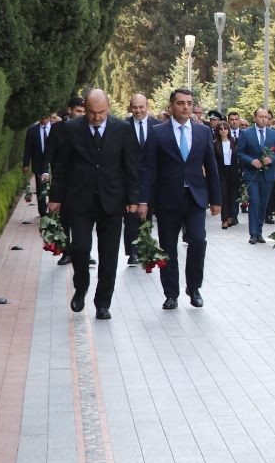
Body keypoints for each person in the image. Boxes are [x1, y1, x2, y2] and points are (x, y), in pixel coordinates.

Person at [47, 89, 139, 320]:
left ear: (109, 108)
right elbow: (62, 165)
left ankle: (103, 302)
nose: (97, 118)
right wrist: (55, 197)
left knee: (109, 254)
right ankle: (81, 287)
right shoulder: (71, 129)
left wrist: (133, 199)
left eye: (101, 112)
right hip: (79, 200)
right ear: (84, 109)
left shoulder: (123, 129)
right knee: (79, 247)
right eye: (91, 112)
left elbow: (131, 166)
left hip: (112, 200)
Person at [138, 88, 221, 310]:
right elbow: (147, 168)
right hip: (167, 199)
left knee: (198, 241)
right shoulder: (158, 132)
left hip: (195, 198)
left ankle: (194, 288)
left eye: (189, 103)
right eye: (181, 103)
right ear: (171, 106)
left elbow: (212, 167)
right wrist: (143, 200)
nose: (186, 107)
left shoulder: (203, 132)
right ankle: (171, 293)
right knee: (168, 247)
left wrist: (216, 199)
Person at [45, 95, 86, 266]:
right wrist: (46, 172)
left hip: (84, 182)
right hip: (65, 182)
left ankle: (83, 252)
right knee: (66, 219)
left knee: (84, 221)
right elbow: (51, 154)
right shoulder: (58, 129)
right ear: (70, 110)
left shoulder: (89, 128)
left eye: (84, 111)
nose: (81, 114)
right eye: (78, 111)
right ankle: (67, 251)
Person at [122, 94, 162, 264]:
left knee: (147, 215)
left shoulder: (158, 126)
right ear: (130, 108)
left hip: (152, 180)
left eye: (141, 107)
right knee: (131, 217)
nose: (138, 111)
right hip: (129, 179)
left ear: (147, 106)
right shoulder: (123, 127)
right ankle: (133, 252)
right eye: (135, 107)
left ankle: (145, 247)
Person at [237, 108, 275, 244]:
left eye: (266, 117)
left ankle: (259, 232)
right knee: (255, 202)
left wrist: (272, 159)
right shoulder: (246, 133)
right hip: (252, 174)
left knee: (263, 204)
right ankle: (253, 234)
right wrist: (251, 160)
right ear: (255, 118)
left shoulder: (273, 134)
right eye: (261, 117)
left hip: (268, 174)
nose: (264, 119)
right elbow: (239, 152)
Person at [22, 114, 55, 216]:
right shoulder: (32, 130)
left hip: (53, 164)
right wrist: (26, 164)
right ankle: (43, 212)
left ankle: (53, 210)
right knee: (41, 189)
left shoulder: (56, 129)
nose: (44, 119)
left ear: (50, 117)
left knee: (53, 188)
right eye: (42, 117)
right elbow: (28, 149)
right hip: (39, 164)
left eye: (46, 117)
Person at [213, 121, 240, 228]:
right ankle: (224, 219)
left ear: (228, 130)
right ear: (218, 131)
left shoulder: (234, 142)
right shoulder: (215, 143)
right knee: (223, 194)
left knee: (232, 194)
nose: (223, 131)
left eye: (225, 128)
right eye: (221, 129)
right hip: (221, 171)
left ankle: (230, 217)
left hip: (233, 171)